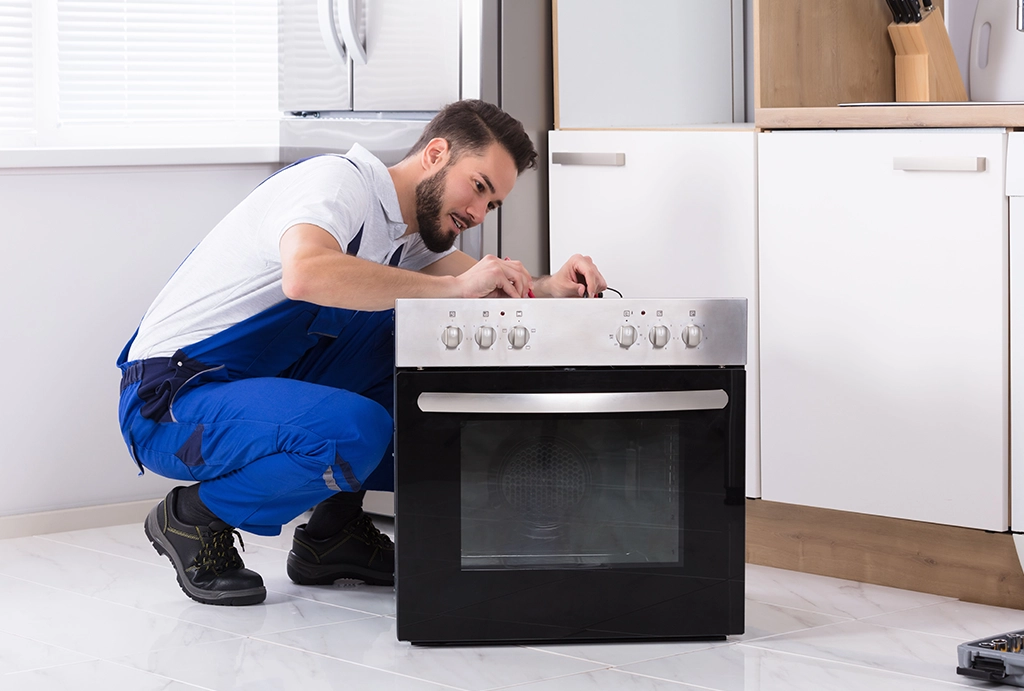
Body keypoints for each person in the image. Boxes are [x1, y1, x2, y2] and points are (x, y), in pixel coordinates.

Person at [116, 99, 607, 606]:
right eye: (479, 187)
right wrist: (456, 288)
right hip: (172, 397)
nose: (478, 214)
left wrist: (553, 287)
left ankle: (334, 535)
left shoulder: (407, 236)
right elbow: (307, 272)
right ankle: (195, 518)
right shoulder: (337, 184)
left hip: (252, 383)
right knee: (357, 428)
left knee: (419, 344)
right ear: (436, 153)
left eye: (493, 204)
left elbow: (485, 289)